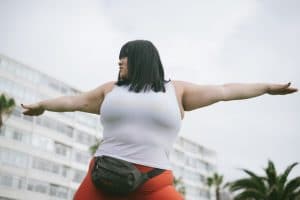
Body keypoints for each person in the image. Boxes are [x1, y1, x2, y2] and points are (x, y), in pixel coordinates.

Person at [21, 40, 298, 200]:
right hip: (103, 177)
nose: (119, 64)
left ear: (141, 59)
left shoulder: (176, 90)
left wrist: (265, 87)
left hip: (153, 182)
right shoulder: (110, 89)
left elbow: (224, 91)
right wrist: (42, 105)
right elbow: (74, 101)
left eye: (124, 59)